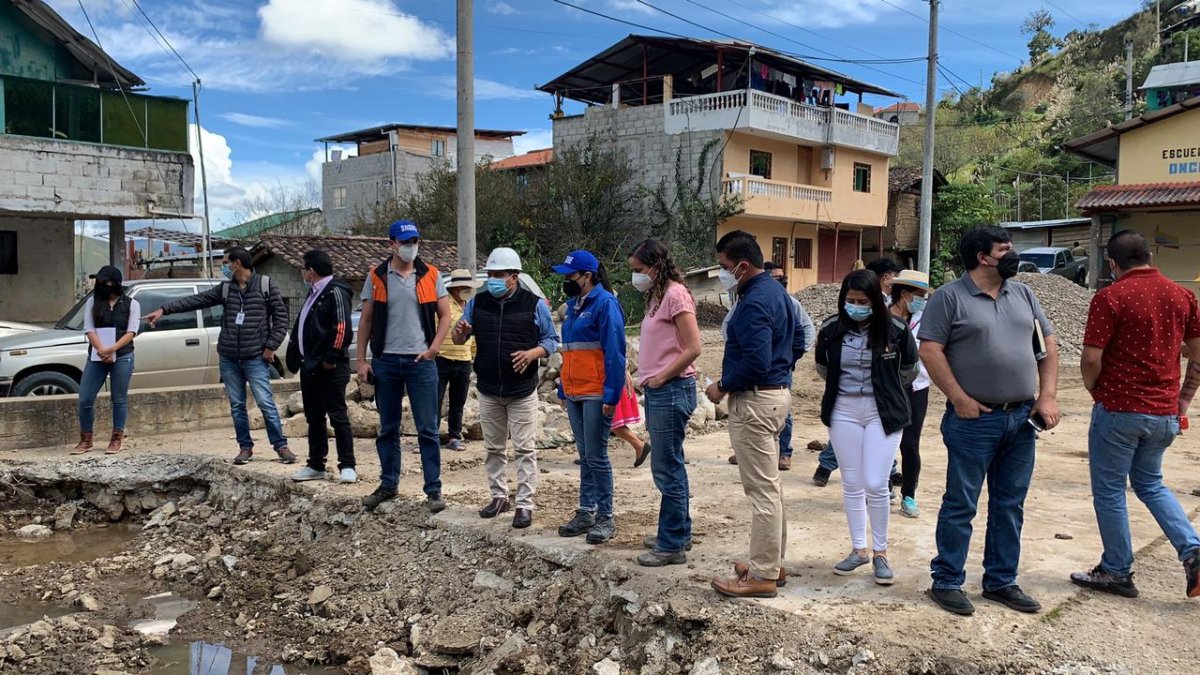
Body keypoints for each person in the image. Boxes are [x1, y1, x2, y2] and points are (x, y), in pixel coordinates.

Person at [921, 226, 1061, 616]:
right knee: (961, 503)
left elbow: (1048, 347)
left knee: (1010, 504)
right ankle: (947, 581)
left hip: (1021, 419)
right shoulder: (949, 298)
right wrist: (959, 399)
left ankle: (1001, 581)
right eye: (1004, 249)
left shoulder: (1024, 294)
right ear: (983, 257)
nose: (1012, 255)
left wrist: (1047, 396)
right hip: (974, 421)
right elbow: (930, 350)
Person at [1070, 231, 1200, 599]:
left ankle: (1116, 570)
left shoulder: (1110, 297)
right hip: (1164, 414)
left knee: (1110, 491)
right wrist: (1183, 400)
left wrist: (1095, 390)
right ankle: (1193, 552)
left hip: (1119, 411)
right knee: (1151, 483)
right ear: (1150, 255)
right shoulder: (1183, 296)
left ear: (1112, 263)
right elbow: (1198, 354)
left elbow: (1091, 359)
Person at [707, 232, 802, 599]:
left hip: (755, 402)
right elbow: (797, 341)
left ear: (742, 266)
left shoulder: (754, 302)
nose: (722, 273)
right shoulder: (776, 293)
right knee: (771, 487)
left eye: (724, 266)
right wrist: (781, 369)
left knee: (762, 491)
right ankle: (772, 564)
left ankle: (762, 575)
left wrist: (722, 386)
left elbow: (756, 361)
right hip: (775, 396)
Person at [144, 247, 293, 465]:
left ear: (237, 264)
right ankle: (245, 448)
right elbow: (196, 300)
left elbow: (281, 320)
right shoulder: (225, 289)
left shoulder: (265, 285)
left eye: (225, 263)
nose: (223, 267)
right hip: (229, 358)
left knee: (265, 402)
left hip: (255, 358)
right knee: (237, 406)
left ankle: (281, 446)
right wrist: (164, 310)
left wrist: (271, 347)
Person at [815, 269, 918, 585]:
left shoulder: (896, 329)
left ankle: (880, 552)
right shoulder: (831, 329)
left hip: (882, 412)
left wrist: (886, 388)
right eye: (851, 301)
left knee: (875, 482)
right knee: (852, 482)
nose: (856, 307)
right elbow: (823, 367)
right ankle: (859, 549)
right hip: (843, 411)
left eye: (863, 302)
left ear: (875, 300)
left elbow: (909, 369)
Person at [452, 247, 559, 529]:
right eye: (490, 274)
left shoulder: (534, 304)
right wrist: (459, 333)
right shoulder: (478, 303)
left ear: (514, 276)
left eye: (499, 275)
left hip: (521, 389)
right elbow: (460, 337)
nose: (493, 280)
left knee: (524, 448)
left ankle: (524, 504)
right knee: (493, 448)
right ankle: (499, 496)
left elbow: (551, 340)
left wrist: (532, 354)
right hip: (489, 387)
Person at [356, 220, 452, 513]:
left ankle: (433, 489)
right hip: (386, 361)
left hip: (420, 362)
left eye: (414, 241)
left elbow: (445, 315)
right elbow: (366, 320)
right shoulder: (376, 276)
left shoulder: (431, 274)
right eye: (405, 242)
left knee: (428, 429)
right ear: (392, 244)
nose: (411, 247)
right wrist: (361, 360)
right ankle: (388, 484)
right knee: (388, 428)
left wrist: (434, 348)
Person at [628, 240, 702, 567]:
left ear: (656, 267)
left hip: (671, 390)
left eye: (639, 270)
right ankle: (679, 532)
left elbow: (694, 347)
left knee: (665, 467)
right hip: (662, 390)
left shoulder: (675, 295)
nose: (636, 276)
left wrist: (660, 377)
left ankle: (671, 543)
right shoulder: (657, 296)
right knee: (672, 463)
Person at [554, 250, 627, 545]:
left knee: (597, 455)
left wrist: (612, 394)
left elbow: (615, 352)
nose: (566, 281)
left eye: (570, 276)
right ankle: (586, 511)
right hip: (575, 391)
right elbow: (570, 351)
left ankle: (606, 516)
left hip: (596, 392)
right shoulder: (573, 306)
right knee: (585, 456)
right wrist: (563, 387)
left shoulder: (605, 304)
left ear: (587, 276)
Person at [724, 260, 814, 471]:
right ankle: (752, 451)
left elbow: (804, 332)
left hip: (766, 384)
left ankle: (784, 452)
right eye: (776, 277)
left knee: (761, 478)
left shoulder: (773, 301)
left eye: (782, 278)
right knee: (764, 470)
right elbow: (728, 326)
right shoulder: (749, 300)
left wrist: (786, 360)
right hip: (765, 379)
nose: (780, 281)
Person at [286, 250, 356, 484]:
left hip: (329, 368)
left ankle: (347, 465)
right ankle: (316, 464)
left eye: (303, 269)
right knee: (314, 417)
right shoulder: (314, 293)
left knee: (338, 416)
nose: (302, 273)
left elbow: (342, 328)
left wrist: (330, 358)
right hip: (310, 366)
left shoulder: (335, 292)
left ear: (311, 271)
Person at [72, 265, 140, 455]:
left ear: (115, 283)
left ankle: (117, 438)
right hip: (97, 355)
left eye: (105, 282)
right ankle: (86, 439)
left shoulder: (132, 304)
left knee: (118, 399)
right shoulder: (92, 302)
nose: (101, 285)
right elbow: (89, 329)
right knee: (85, 398)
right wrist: (101, 349)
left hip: (122, 355)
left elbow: (131, 332)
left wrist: (112, 349)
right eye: (99, 282)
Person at [889, 270, 933, 518]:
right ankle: (884, 488)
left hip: (917, 388)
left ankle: (909, 495)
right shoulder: (881, 317)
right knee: (884, 441)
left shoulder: (926, 320)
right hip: (887, 389)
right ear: (904, 293)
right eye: (919, 295)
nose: (922, 300)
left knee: (910, 443)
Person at [439, 268, 479, 452]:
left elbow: (473, 334)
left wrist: (474, 355)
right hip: (441, 357)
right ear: (456, 288)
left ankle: (454, 436)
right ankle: (429, 436)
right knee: (435, 400)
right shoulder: (442, 303)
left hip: (463, 360)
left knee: (458, 401)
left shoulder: (470, 306)